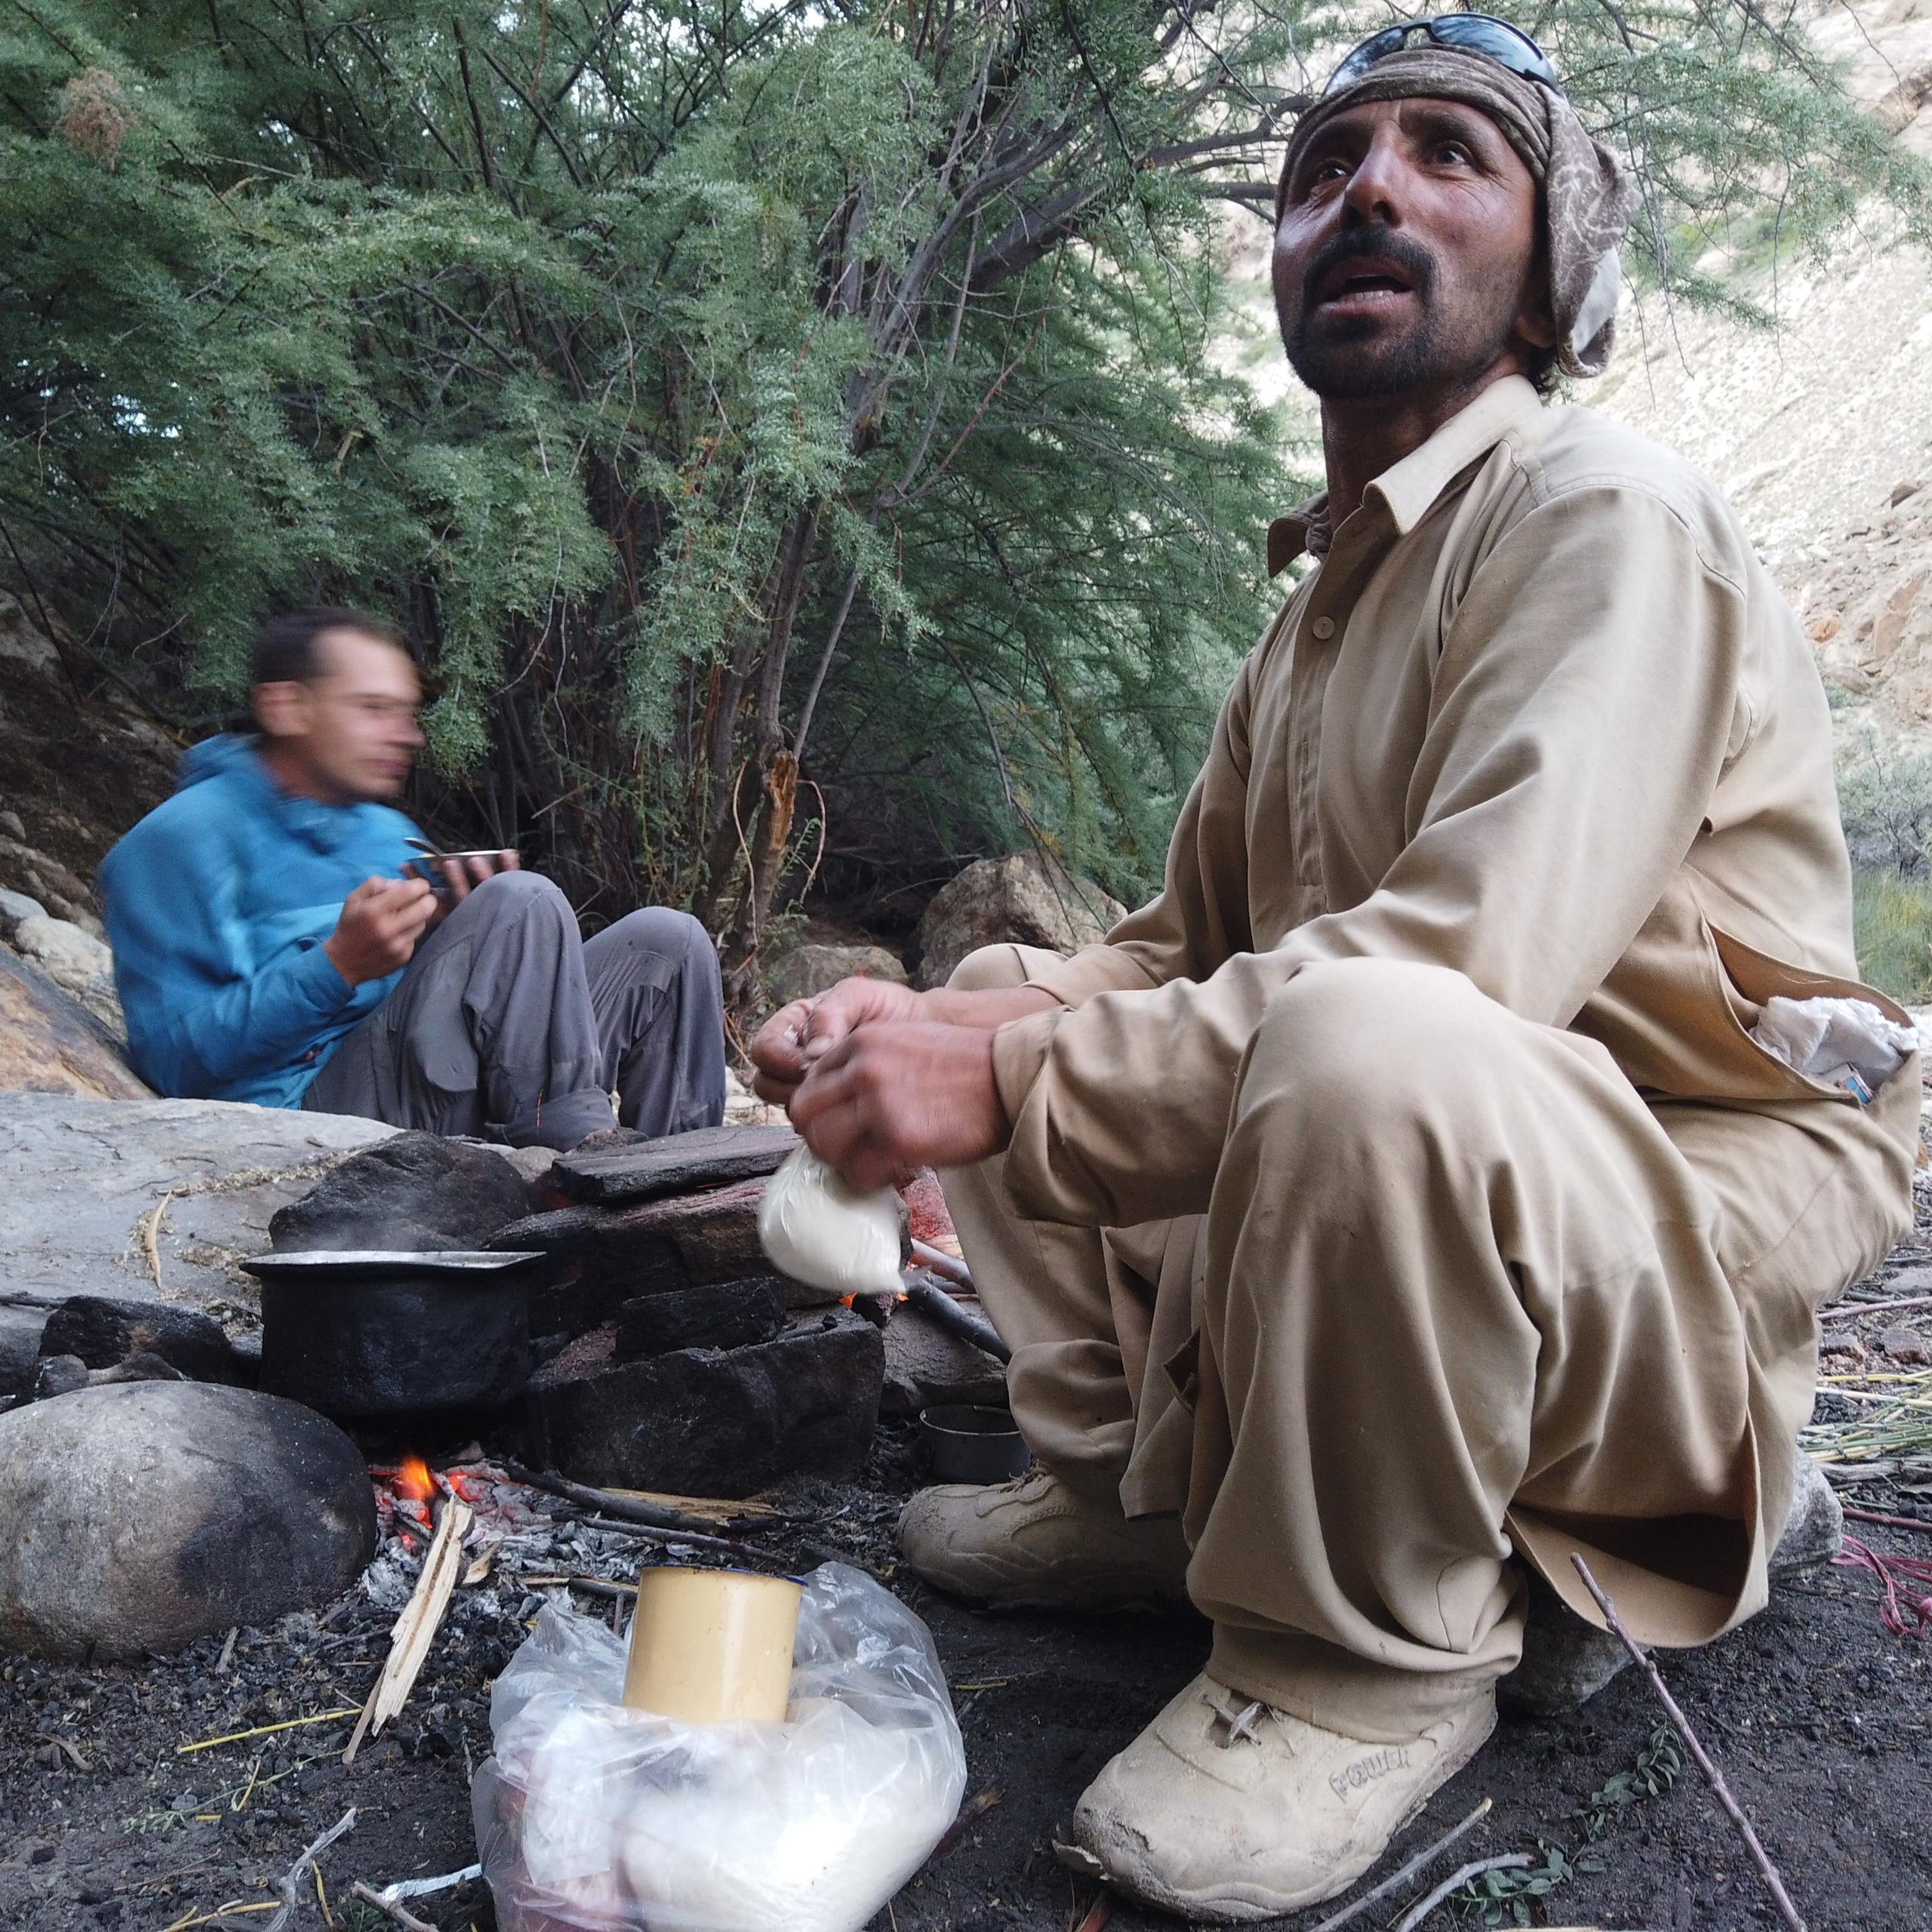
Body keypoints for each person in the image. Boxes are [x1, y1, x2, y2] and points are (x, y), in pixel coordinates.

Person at [750, 20, 1920, 1922]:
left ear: (1545, 277)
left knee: (1360, 1035)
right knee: (1021, 980)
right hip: (1435, 1156)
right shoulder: (1314, 619)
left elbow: (1461, 967)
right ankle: (1138, 1500)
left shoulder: (1601, 518)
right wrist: (935, 1024)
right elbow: (1169, 955)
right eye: (1323, 166)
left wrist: (1013, 1076)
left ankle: (1358, 1655)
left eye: (1448, 152)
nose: (1368, 186)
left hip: (1661, 1223)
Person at [102, 607, 725, 1149]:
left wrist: (446, 927)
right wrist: (336, 967)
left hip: (435, 1078)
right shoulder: (180, 842)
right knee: (522, 901)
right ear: (287, 707)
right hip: (304, 1114)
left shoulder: (383, 830)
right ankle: (577, 1165)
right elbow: (175, 1065)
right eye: (374, 710)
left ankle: (687, 1179)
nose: (408, 736)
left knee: (668, 942)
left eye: (408, 714)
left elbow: (423, 1000)